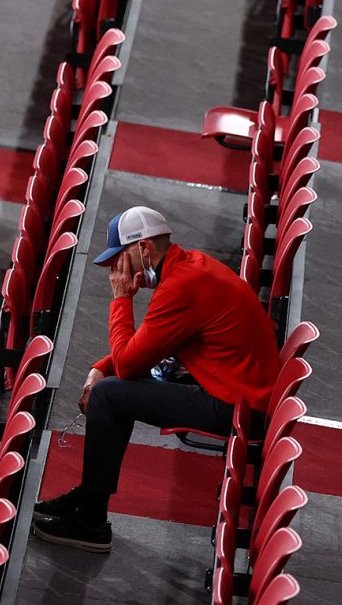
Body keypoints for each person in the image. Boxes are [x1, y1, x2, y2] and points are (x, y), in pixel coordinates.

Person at [30, 205, 280, 553]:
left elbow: (131, 364)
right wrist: (102, 366)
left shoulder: (181, 287)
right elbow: (154, 344)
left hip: (236, 406)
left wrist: (121, 301)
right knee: (111, 388)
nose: (118, 271)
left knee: (108, 397)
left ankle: (91, 520)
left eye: (121, 259)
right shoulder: (189, 268)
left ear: (144, 249)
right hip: (239, 390)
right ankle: (90, 495)